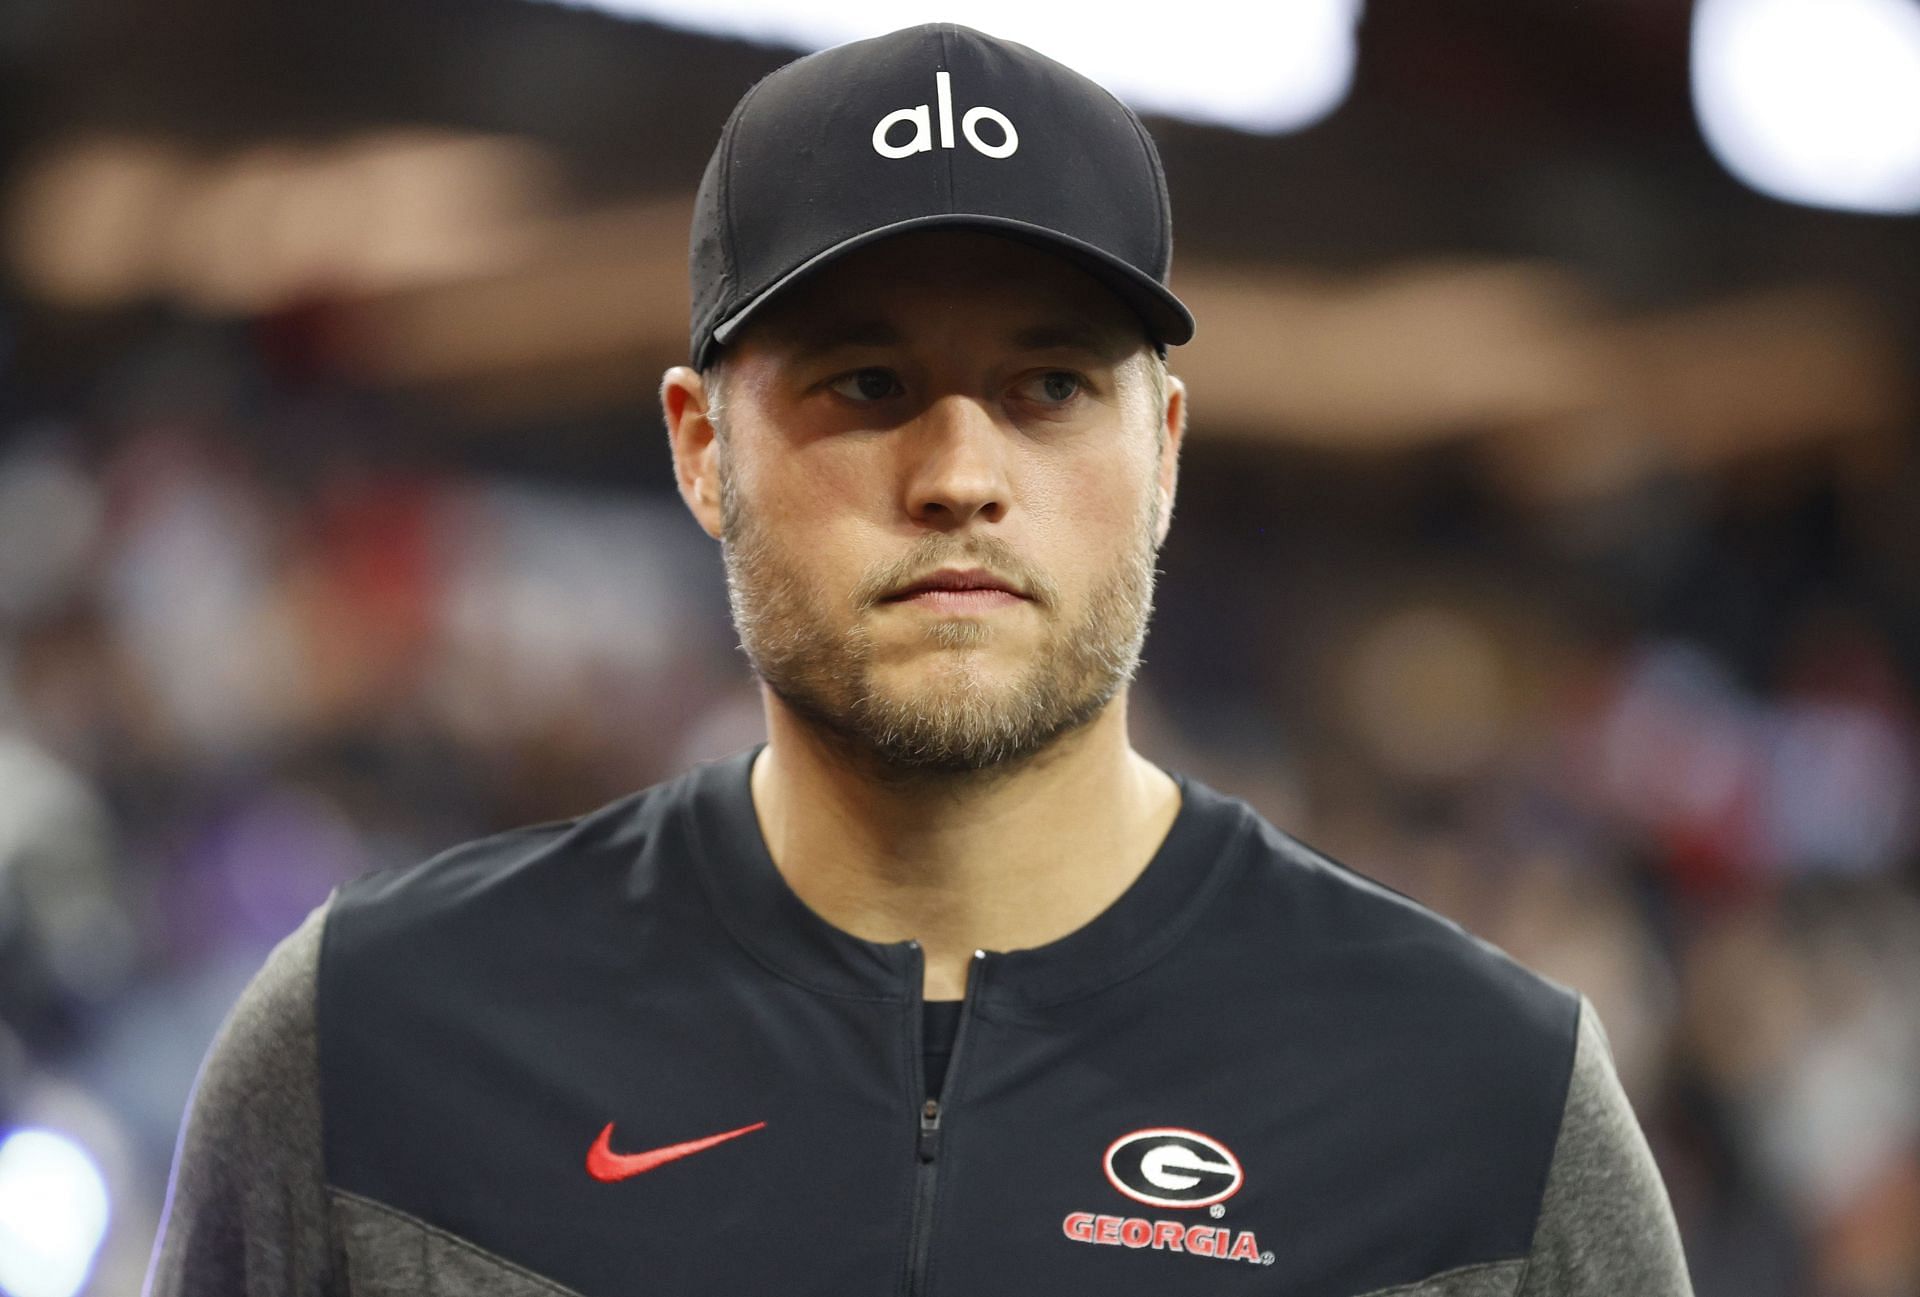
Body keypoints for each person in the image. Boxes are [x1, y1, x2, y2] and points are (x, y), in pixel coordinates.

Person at [147, 22, 1694, 1297]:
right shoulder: (380, 1038)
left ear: (1161, 448)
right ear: (701, 448)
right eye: (868, 379)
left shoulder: (1483, 1102)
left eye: (1046, 385)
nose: (960, 469)